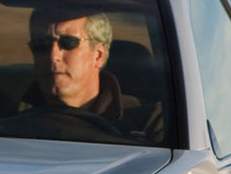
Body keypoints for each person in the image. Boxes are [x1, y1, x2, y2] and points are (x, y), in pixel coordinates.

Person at [21, 9, 163, 139]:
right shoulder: (7, 119)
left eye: (68, 42)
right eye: (41, 44)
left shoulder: (148, 123)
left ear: (99, 56)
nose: (53, 56)